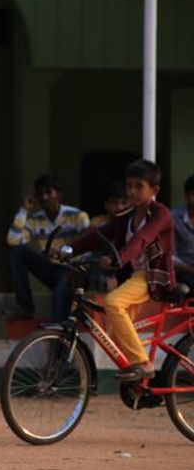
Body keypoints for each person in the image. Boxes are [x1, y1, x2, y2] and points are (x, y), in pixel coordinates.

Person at [70, 159, 175, 382]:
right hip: (133, 278)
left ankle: (144, 364)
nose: (132, 191)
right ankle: (143, 386)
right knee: (115, 335)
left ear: (154, 190)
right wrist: (68, 250)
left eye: (139, 186)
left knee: (112, 303)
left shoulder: (160, 214)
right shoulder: (127, 217)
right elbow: (98, 236)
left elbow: (142, 239)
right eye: (129, 185)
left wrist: (119, 257)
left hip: (152, 277)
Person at [4, 174, 89, 321]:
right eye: (40, 194)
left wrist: (69, 256)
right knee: (18, 252)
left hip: (73, 270)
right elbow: (13, 240)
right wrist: (24, 210)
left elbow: (90, 246)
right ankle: (25, 306)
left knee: (59, 299)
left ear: (59, 195)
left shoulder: (77, 216)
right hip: (52, 270)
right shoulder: (35, 219)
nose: (44, 197)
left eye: (49, 192)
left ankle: (60, 334)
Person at [88, 181, 129, 292]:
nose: (119, 207)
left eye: (124, 203)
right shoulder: (97, 223)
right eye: (114, 203)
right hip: (103, 268)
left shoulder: (133, 223)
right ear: (106, 205)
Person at [172, 174, 194, 294]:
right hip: (182, 272)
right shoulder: (173, 218)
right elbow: (170, 256)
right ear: (186, 196)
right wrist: (190, 269)